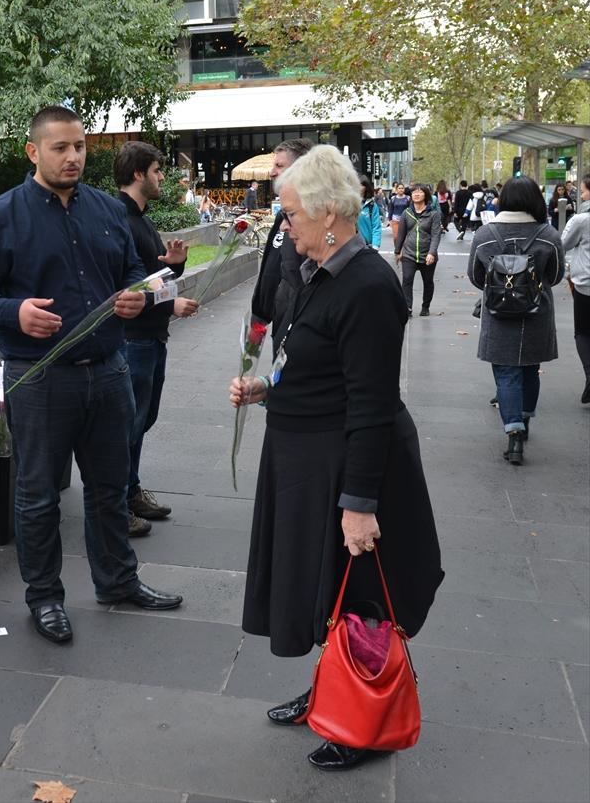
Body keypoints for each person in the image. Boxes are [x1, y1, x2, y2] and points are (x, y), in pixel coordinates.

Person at [229, 145, 443, 772]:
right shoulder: (313, 270)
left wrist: (358, 505)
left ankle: (364, 721)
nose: (283, 222)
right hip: (303, 458)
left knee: (361, 596)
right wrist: (266, 386)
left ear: (327, 214)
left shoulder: (370, 285)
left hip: (346, 462)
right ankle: (333, 689)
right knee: (325, 588)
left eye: (289, 212)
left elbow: (372, 404)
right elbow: (308, 359)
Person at [0, 106, 184, 645]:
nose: (73, 156)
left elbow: (131, 269)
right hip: (39, 377)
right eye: (60, 148)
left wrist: (136, 293)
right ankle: (44, 599)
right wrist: (15, 314)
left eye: (80, 146)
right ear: (33, 152)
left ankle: (118, 581)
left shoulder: (106, 210)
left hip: (108, 372)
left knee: (108, 489)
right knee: (37, 497)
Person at [115, 141, 199, 533]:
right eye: (157, 170)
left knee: (142, 419)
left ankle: (130, 491)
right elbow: (124, 288)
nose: (162, 177)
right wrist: (170, 304)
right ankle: (118, 503)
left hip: (150, 337)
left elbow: (150, 278)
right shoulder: (121, 220)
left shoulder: (142, 219)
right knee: (129, 423)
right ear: (138, 174)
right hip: (133, 339)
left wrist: (174, 267)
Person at [467, 176, 565, 465]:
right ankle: (524, 420)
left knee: (506, 372)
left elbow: (475, 276)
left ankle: (513, 436)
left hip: (499, 313)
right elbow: (556, 275)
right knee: (529, 369)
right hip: (536, 313)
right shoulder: (548, 235)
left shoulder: (485, 235)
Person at [250, 138, 314, 337]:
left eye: (279, 165)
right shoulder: (282, 217)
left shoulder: (316, 218)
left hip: (307, 330)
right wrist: (259, 313)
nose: (272, 172)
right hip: (282, 324)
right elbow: (271, 268)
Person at [395, 184, 442, 317]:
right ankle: (407, 308)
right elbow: (401, 234)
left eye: (420, 192)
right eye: (414, 192)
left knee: (428, 282)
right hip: (409, 254)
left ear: (425, 196)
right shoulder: (406, 213)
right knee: (407, 280)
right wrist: (397, 251)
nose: (416, 194)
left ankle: (425, 306)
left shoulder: (433, 214)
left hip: (427, 254)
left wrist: (432, 253)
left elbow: (436, 235)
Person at [563, 175, 590, 403]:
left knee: (582, 332)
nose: (581, 195)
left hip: (586, 284)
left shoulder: (581, 220)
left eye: (582, 191)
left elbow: (563, 244)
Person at [357, 175, 382, 249]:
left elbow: (376, 227)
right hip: (351, 247)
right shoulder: (348, 204)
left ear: (366, 188)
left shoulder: (372, 206)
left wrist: (375, 246)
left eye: (361, 185)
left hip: (367, 246)